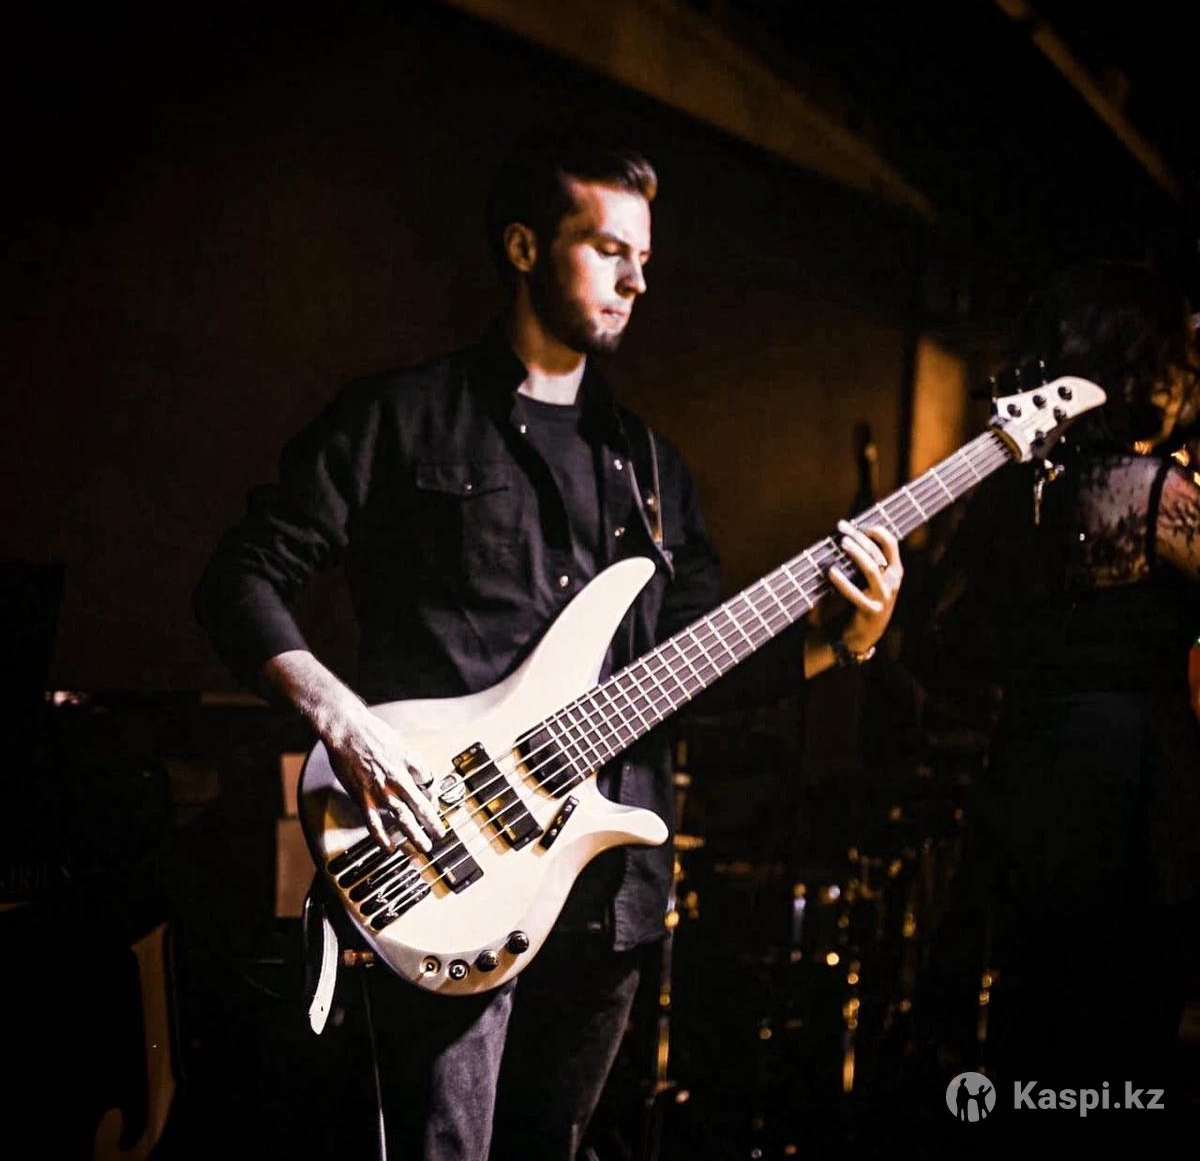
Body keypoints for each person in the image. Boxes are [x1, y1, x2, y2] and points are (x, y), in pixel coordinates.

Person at [193, 136, 903, 1160]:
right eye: (609, 250)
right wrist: (339, 719)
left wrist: (847, 642)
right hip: (444, 870)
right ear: (525, 248)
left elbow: (703, 676)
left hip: (606, 902)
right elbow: (238, 578)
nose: (636, 281)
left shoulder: (652, 472)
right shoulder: (402, 417)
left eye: (645, 259)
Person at [916, 262, 1200, 1108]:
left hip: (1033, 762)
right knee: (1126, 1021)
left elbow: (943, 633)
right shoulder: (1156, 495)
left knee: (1034, 1013)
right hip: (1132, 774)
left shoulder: (1020, 491)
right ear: (1143, 371)